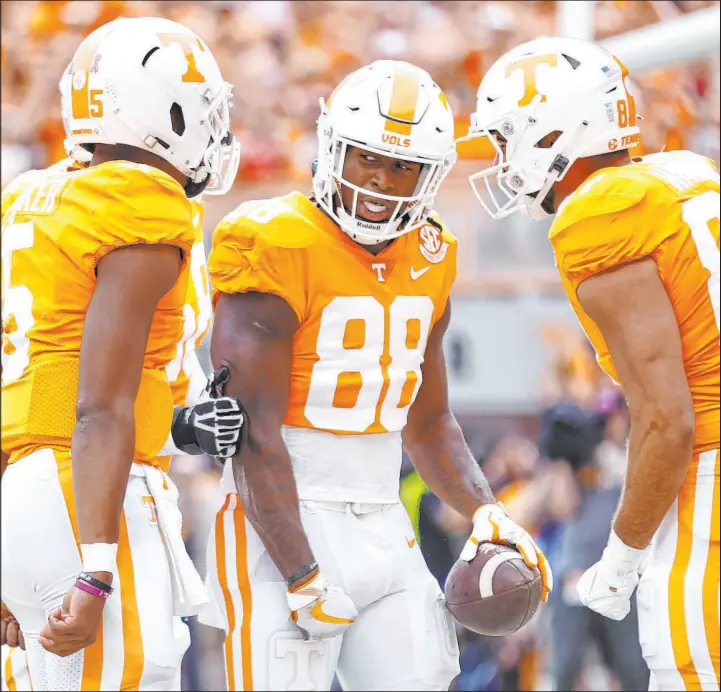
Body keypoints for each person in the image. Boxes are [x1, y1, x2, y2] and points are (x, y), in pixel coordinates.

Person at [201, 59, 551, 691]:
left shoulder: (432, 252)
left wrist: (486, 512)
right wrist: (299, 569)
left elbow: (429, 420)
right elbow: (253, 433)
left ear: (431, 174)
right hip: (280, 516)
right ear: (332, 147)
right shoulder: (273, 239)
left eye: (402, 167)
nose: (381, 182)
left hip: (385, 519)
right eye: (366, 158)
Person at [463, 36, 719, 691]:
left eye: (506, 139)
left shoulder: (599, 215)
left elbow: (669, 420)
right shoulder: (684, 174)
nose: (502, 159)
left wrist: (623, 554)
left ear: (552, 132)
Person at [1, 16, 244, 691]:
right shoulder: (137, 201)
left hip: (24, 488)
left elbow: (20, 386)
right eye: (201, 110)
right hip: (90, 491)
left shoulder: (30, 197)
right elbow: (100, 407)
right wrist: (95, 564)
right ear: (161, 113)